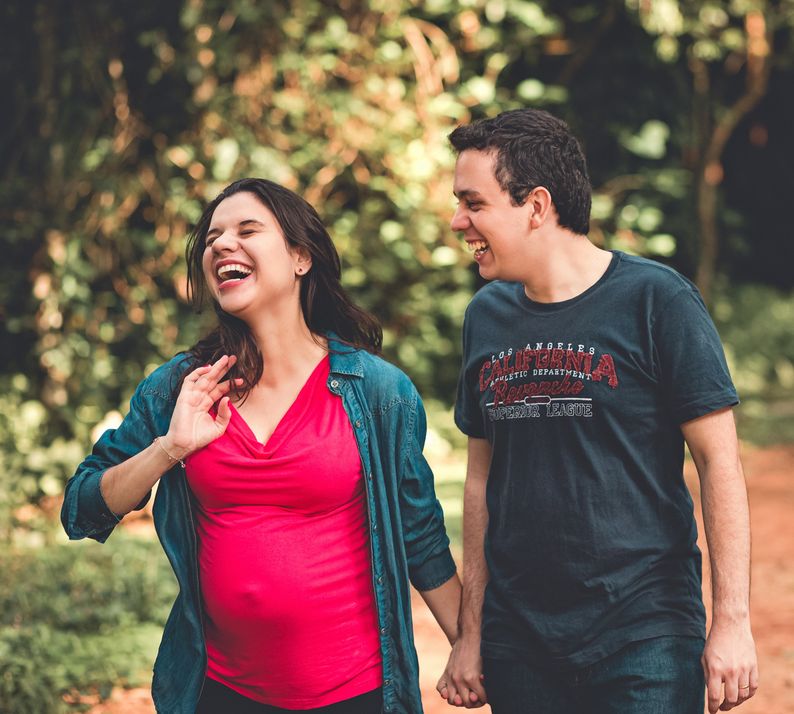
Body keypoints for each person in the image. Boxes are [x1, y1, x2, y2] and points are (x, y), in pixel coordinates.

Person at [62, 177, 462, 714]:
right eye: (212, 238)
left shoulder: (378, 393)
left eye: (247, 230)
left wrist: (470, 646)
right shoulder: (180, 389)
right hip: (219, 692)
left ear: (301, 258)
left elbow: (421, 537)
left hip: (358, 692)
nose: (221, 244)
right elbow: (81, 510)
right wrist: (169, 447)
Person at [436, 109, 758, 714]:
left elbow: (720, 463)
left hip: (646, 633)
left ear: (535, 205)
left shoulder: (657, 300)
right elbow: (480, 480)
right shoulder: (487, 315)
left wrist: (732, 622)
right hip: (521, 642)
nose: (458, 222)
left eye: (473, 203)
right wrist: (473, 634)